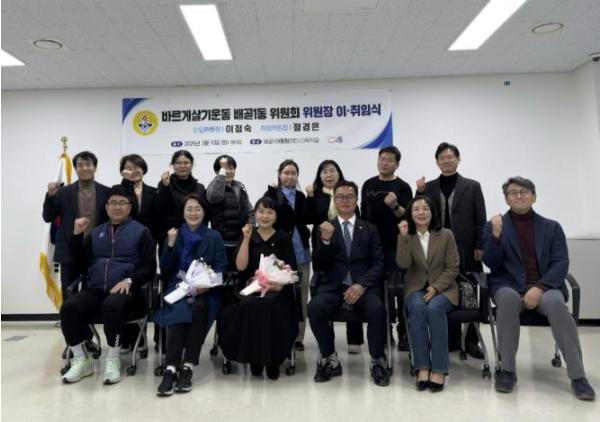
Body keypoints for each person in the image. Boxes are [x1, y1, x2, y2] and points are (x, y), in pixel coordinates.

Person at [483, 176, 595, 401]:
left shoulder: (552, 227)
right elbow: (491, 263)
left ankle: (578, 376)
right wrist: (495, 236)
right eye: (513, 193)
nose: (519, 196)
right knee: (507, 301)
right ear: (506, 199)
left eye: (524, 191)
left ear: (534, 196)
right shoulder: (495, 225)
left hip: (545, 287)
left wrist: (539, 288)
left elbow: (561, 263)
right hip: (508, 286)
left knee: (557, 306)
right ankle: (507, 371)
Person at [59, 185, 156, 385]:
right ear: (106, 207)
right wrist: (76, 235)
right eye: (113, 203)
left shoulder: (142, 232)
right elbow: (80, 264)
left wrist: (130, 280)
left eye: (122, 203)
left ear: (130, 207)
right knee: (69, 308)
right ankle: (81, 360)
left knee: (112, 305)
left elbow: (149, 267)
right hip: (95, 288)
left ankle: (113, 358)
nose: (117, 207)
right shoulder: (96, 233)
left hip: (127, 291)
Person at [308, 181, 389, 386]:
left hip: (363, 287)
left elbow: (379, 263)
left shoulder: (370, 229)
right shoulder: (325, 228)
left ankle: (377, 361)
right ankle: (330, 359)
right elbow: (319, 265)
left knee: (377, 309)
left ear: (356, 200)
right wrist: (325, 241)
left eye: (349, 196)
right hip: (334, 287)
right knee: (315, 307)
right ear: (334, 200)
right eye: (340, 197)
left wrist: (361, 285)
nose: (345, 200)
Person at [415, 142, 486, 358]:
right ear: (437, 162)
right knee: (446, 291)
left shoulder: (472, 186)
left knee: (470, 292)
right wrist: (418, 191)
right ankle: (451, 339)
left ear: (458, 159)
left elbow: (480, 218)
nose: (446, 160)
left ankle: (471, 340)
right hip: (438, 250)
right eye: (442, 158)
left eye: (450, 157)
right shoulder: (429, 187)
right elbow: (418, 211)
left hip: (467, 249)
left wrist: (480, 244)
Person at [217, 197, 298, 380]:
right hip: (250, 287)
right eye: (261, 211)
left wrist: (277, 285)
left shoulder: (283, 237)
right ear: (255, 214)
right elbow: (240, 267)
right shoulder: (249, 235)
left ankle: (272, 360)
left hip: (277, 289)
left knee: (270, 305)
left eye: (270, 212)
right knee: (249, 305)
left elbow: (291, 270)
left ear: (276, 216)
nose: (265, 216)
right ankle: (254, 358)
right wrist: (246, 240)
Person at [153, 195, 227, 396]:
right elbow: (166, 269)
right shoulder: (174, 234)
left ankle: (187, 366)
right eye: (189, 209)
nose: (193, 213)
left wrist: (206, 285)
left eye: (197, 209)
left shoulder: (214, 236)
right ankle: (171, 368)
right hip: (178, 288)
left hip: (207, 290)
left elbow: (221, 268)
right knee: (180, 309)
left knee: (199, 307)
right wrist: (170, 245)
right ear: (183, 212)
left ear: (204, 212)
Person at [396, 196, 459, 392]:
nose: (421, 212)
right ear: (410, 214)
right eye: (416, 209)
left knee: (434, 309)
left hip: (444, 288)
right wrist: (403, 238)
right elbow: (403, 264)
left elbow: (453, 267)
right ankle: (422, 366)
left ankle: (439, 368)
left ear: (432, 212)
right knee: (417, 307)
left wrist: (437, 287)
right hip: (415, 286)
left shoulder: (446, 235)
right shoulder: (407, 235)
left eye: (425, 208)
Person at [306, 160, 364, 353]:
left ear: (339, 173)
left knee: (352, 285)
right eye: (324, 172)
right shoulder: (316, 195)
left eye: (332, 171)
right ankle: (327, 341)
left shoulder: (348, 194)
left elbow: (357, 219)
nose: (328, 175)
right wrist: (310, 197)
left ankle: (354, 339)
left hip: (349, 245)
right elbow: (309, 218)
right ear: (319, 176)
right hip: (324, 246)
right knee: (328, 287)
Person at [361, 146, 413, 350]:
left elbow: (407, 216)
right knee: (377, 291)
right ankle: (384, 331)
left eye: (389, 160)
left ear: (397, 164)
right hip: (372, 247)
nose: (384, 163)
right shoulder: (368, 184)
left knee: (400, 290)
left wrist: (394, 206)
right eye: (382, 159)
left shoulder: (403, 187)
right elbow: (363, 216)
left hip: (396, 247)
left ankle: (404, 331)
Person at [43, 151, 110, 300]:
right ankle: (69, 316)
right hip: (69, 250)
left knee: (93, 294)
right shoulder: (63, 192)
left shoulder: (106, 192)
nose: (84, 168)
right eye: (80, 165)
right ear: (75, 168)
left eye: (88, 164)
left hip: (96, 251)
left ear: (95, 167)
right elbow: (48, 217)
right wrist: (50, 196)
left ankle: (89, 316)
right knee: (69, 294)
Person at [263, 159, 311, 351]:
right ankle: (279, 333)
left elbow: (305, 218)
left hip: (301, 250)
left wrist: (311, 196)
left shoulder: (301, 196)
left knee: (301, 295)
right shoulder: (270, 195)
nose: (290, 176)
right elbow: (269, 217)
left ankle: (299, 337)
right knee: (278, 294)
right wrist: (275, 193)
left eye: (293, 173)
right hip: (279, 252)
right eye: (286, 172)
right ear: (279, 174)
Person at [206, 154, 254, 268]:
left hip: (240, 242)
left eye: (230, 168)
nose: (227, 171)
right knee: (220, 276)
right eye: (224, 168)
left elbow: (250, 211)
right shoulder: (213, 187)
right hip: (220, 243)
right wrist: (222, 174)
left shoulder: (240, 187)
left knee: (240, 274)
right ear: (217, 171)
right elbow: (215, 197)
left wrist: (250, 226)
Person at [156, 150, 206, 253]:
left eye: (186, 163)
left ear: (191, 165)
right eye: (178, 163)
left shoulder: (200, 188)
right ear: (173, 165)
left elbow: (204, 213)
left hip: (195, 235)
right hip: (172, 236)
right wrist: (165, 186)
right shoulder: (165, 184)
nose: (182, 166)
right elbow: (160, 208)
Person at [119, 153, 158, 243]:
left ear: (143, 169)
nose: (133, 171)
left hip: (149, 238)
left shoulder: (154, 192)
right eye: (129, 168)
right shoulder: (120, 190)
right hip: (125, 237)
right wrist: (126, 180)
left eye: (136, 167)